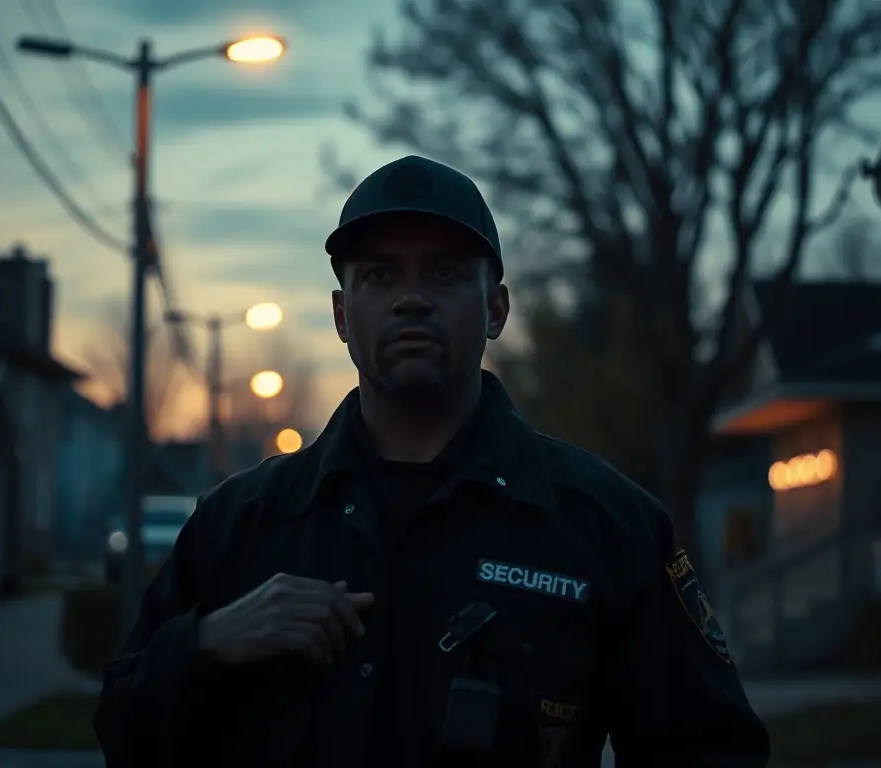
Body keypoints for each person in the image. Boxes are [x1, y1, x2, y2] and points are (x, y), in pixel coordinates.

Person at [94, 155, 770, 767]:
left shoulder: (603, 523)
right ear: (340, 314)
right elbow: (121, 733)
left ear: (495, 309)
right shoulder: (243, 523)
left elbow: (713, 750)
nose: (410, 297)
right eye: (379, 275)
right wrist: (207, 643)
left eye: (444, 273)